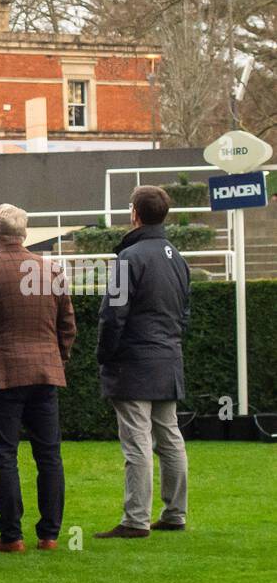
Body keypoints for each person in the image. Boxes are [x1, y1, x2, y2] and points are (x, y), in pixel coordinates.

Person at [0, 204, 76, 553]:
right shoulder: (50, 269)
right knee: (49, 454)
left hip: (3, 374)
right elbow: (67, 325)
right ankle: (50, 535)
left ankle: (12, 536)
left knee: (4, 455)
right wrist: (58, 358)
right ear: (24, 235)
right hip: (45, 373)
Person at [94, 185, 190, 538]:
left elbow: (112, 315)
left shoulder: (127, 259)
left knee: (138, 443)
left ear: (134, 213)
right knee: (169, 438)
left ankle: (136, 519)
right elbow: (185, 312)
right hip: (168, 359)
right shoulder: (176, 257)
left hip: (133, 362)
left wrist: (105, 354)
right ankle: (175, 513)